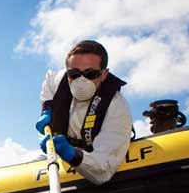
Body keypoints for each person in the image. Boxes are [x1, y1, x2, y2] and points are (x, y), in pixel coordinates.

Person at [36, 40, 132, 185]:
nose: (81, 80)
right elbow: (48, 83)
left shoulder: (117, 107)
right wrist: (47, 110)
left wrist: (71, 153)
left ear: (104, 74)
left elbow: (103, 170)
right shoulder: (60, 79)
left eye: (91, 74)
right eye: (74, 74)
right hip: (60, 151)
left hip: (91, 155)